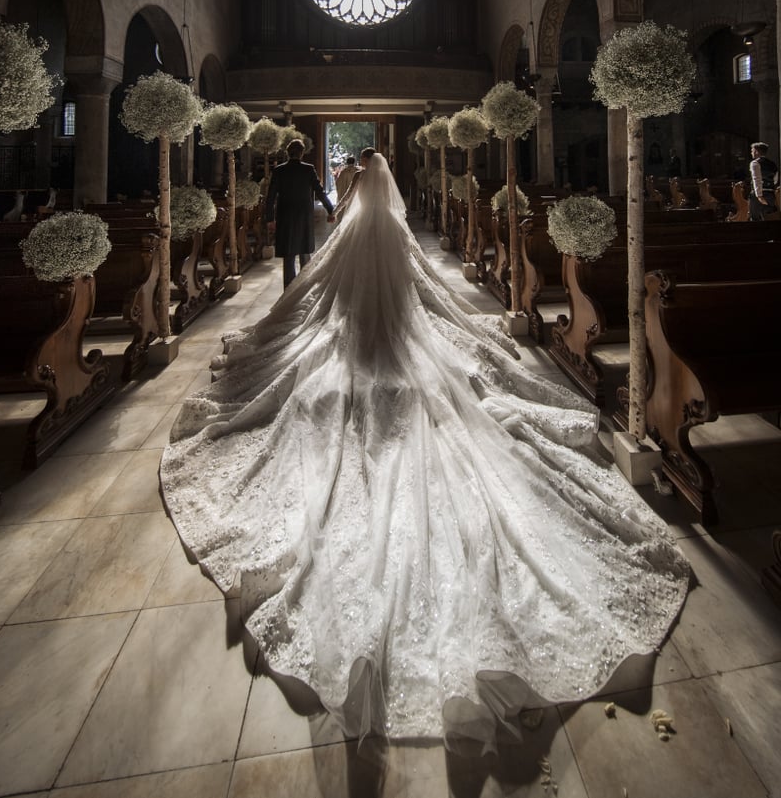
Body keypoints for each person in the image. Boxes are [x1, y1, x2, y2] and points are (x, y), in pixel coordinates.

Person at [160, 154, 688, 748]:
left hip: (356, 338)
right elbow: (419, 290)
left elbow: (322, 286)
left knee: (336, 326)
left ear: (364, 184)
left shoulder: (356, 226)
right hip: (400, 339)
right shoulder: (393, 227)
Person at [264, 138, 335, 288]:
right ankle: (304, 287)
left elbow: (270, 196)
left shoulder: (279, 170)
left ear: (288, 153)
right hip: (303, 214)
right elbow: (319, 191)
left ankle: (288, 290)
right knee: (304, 250)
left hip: (285, 214)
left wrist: (270, 218)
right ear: (302, 153)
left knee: (288, 254)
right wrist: (330, 210)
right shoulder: (308, 169)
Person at [334, 144, 374, 219]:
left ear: (365, 159)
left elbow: (341, 186)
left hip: (364, 211)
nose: (360, 159)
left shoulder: (358, 174)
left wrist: (335, 212)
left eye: (361, 157)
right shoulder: (383, 174)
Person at [748, 141, 779, 220]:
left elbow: (756, 179)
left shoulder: (755, 163)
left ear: (756, 151)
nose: (751, 153)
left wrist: (759, 195)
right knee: (770, 218)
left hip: (759, 195)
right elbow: (775, 179)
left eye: (752, 151)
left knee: (756, 219)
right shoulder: (773, 164)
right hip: (770, 194)